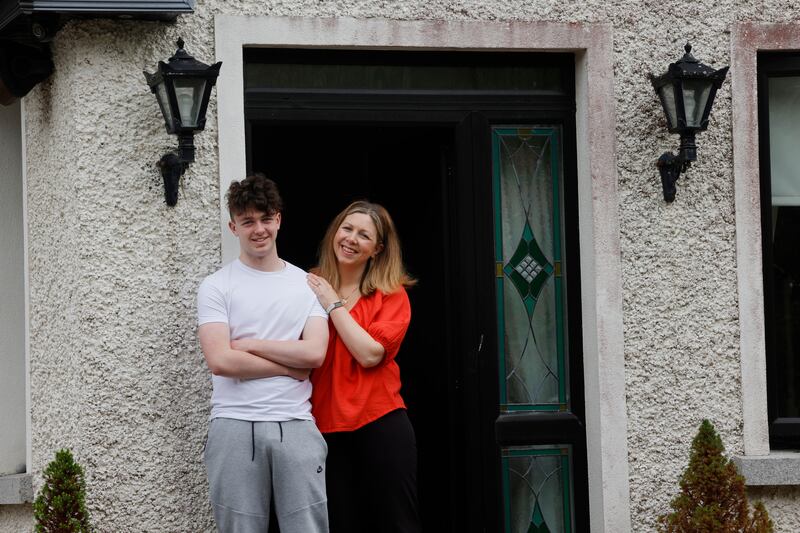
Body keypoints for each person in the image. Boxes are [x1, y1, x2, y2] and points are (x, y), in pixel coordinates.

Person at [196, 174, 330, 533]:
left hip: (296, 424)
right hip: (234, 425)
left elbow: (315, 353)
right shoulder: (216, 286)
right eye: (248, 221)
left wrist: (251, 344)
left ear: (279, 219)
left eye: (266, 218)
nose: (259, 229)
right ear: (233, 226)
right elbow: (221, 361)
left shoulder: (307, 285)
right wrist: (289, 368)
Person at [306, 200, 422, 533]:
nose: (351, 239)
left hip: (380, 421)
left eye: (364, 235)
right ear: (335, 232)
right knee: (340, 523)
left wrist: (332, 304)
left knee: (396, 522)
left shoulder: (390, 294)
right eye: (347, 228)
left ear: (377, 249)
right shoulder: (307, 284)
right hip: (323, 427)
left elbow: (370, 354)